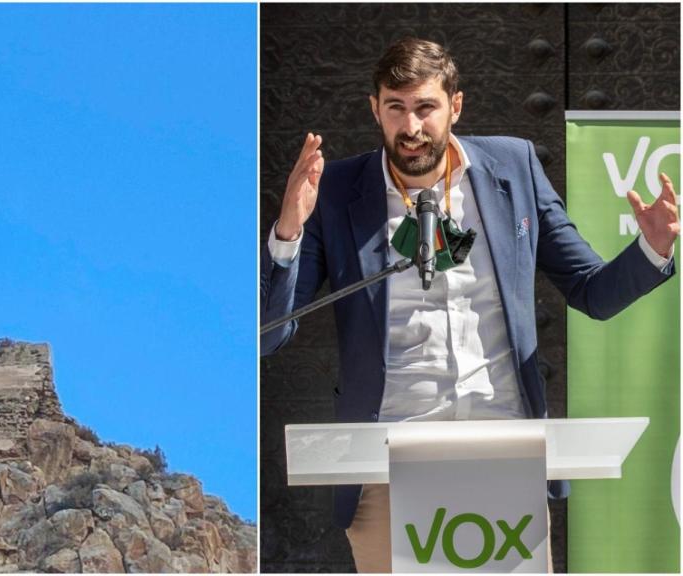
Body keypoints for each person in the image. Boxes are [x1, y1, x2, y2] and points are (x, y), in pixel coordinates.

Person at [260, 37, 678, 573]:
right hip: (388, 465)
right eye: (396, 108)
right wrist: (290, 229)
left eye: (426, 107)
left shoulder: (514, 167)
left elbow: (591, 291)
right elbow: (271, 332)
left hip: (506, 456)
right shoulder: (338, 191)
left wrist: (652, 249)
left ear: (455, 104)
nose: (411, 127)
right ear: (375, 109)